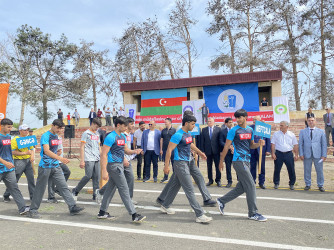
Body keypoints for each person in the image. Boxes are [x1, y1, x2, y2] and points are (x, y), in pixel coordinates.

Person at [156, 110, 216, 209]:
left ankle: (206, 198)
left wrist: (199, 152)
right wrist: (166, 165)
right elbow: (171, 149)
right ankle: (163, 201)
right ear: (186, 120)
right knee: (176, 183)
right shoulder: (180, 130)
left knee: (198, 177)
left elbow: (190, 142)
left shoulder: (189, 130)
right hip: (181, 161)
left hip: (189, 159)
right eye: (191, 120)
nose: (193, 124)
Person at [217, 109, 267, 222]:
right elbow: (226, 147)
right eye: (237, 117)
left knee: (242, 187)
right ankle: (252, 213)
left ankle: (222, 201)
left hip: (247, 160)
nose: (238, 120)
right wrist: (221, 161)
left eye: (240, 117)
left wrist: (259, 144)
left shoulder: (250, 130)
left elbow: (251, 145)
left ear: (246, 117)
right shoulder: (233, 130)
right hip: (238, 160)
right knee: (251, 184)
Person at [29, 119, 84, 218]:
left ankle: (72, 207)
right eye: (58, 128)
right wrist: (60, 158)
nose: (59, 130)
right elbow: (46, 151)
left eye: (61, 129)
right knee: (40, 189)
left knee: (63, 187)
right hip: (45, 166)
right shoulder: (46, 136)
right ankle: (33, 210)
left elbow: (53, 150)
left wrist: (57, 154)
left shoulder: (56, 136)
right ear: (52, 125)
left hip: (55, 165)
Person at [97, 116, 145, 223]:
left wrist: (135, 151)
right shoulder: (110, 137)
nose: (126, 127)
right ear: (118, 125)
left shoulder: (122, 137)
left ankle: (102, 212)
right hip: (113, 166)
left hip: (119, 165)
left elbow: (126, 151)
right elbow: (103, 154)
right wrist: (104, 171)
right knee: (124, 189)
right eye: (124, 125)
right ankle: (134, 214)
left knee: (110, 190)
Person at [95, 117, 137, 205]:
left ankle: (101, 194)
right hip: (118, 162)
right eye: (130, 124)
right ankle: (130, 205)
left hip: (124, 161)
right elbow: (107, 153)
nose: (132, 126)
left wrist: (135, 151)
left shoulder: (126, 135)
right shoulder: (114, 136)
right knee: (123, 183)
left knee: (117, 181)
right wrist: (104, 171)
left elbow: (126, 149)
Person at [0, 118, 30, 215]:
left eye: (11, 127)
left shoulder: (10, 138)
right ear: (2, 126)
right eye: (8, 127)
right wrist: (5, 162)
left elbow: (14, 149)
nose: (10, 128)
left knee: (14, 187)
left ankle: (22, 208)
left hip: (9, 168)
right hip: (1, 167)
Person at [3, 124, 35, 202]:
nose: (26, 131)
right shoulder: (15, 140)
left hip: (28, 161)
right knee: (14, 180)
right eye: (24, 130)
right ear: (20, 131)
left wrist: (32, 156)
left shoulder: (29, 139)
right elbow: (12, 152)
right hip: (18, 162)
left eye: (27, 130)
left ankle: (33, 197)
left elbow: (32, 149)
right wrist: (24, 153)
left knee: (31, 180)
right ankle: (6, 194)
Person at [72, 118, 102, 201]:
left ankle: (95, 195)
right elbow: (82, 147)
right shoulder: (86, 133)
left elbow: (99, 146)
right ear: (92, 123)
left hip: (97, 158)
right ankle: (75, 190)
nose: (97, 129)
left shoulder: (97, 134)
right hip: (88, 158)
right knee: (88, 176)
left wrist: (101, 155)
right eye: (96, 126)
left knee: (97, 177)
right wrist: (82, 160)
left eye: (98, 127)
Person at [299, 117, 327, 192]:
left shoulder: (321, 131)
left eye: (312, 120)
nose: (311, 122)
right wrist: (301, 153)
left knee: (319, 170)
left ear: (315, 122)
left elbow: (324, 144)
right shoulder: (302, 131)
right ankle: (308, 184)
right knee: (307, 170)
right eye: (309, 121)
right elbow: (300, 144)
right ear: (307, 122)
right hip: (306, 154)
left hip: (318, 154)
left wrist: (324, 155)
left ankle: (320, 185)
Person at [271, 121, 299, 190]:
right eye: (280, 125)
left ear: (287, 126)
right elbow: (273, 144)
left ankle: (292, 183)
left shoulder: (291, 134)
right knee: (277, 169)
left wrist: (296, 154)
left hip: (289, 154)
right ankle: (276, 183)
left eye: (282, 125)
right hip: (278, 153)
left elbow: (295, 145)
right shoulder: (276, 134)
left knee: (291, 169)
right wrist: (273, 153)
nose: (280, 127)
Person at [47, 128, 71, 203]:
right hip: (52, 161)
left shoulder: (59, 137)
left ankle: (57, 189)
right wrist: (56, 154)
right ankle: (51, 197)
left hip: (59, 161)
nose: (62, 130)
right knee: (51, 179)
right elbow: (47, 150)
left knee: (67, 172)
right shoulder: (50, 137)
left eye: (63, 129)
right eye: (61, 129)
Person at [250, 116, 271, 189]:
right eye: (253, 119)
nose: (254, 121)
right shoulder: (249, 128)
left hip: (261, 150)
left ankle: (261, 182)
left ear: (259, 120)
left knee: (261, 167)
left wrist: (268, 150)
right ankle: (252, 182)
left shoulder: (264, 128)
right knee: (252, 167)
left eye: (255, 120)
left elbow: (268, 139)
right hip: (252, 150)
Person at [201, 117, 222, 187]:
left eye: (210, 121)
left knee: (217, 166)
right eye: (208, 121)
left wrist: (221, 151)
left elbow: (220, 141)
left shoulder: (218, 129)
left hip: (216, 151)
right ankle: (210, 180)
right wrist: (202, 151)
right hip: (208, 151)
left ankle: (218, 180)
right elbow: (202, 141)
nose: (209, 122)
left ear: (213, 122)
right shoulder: (204, 130)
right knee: (209, 166)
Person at [218, 118, 234, 188]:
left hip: (235, 152)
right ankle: (229, 181)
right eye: (229, 122)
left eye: (232, 122)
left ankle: (240, 181)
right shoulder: (222, 131)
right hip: (227, 152)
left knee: (237, 167)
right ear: (226, 123)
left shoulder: (235, 131)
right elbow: (221, 141)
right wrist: (228, 146)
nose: (231, 123)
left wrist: (233, 147)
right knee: (228, 167)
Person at [160, 118, 176, 183]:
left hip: (172, 150)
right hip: (165, 149)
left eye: (166, 122)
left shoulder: (174, 130)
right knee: (166, 164)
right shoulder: (163, 130)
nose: (165, 123)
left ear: (170, 122)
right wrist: (161, 149)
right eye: (165, 122)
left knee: (174, 164)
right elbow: (161, 140)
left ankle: (175, 178)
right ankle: (165, 177)